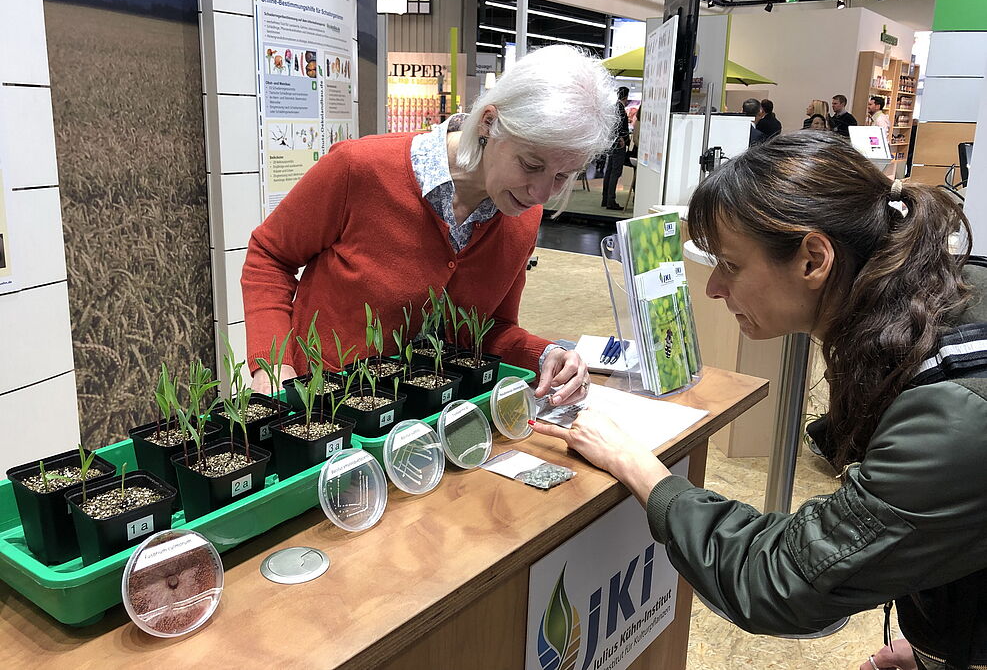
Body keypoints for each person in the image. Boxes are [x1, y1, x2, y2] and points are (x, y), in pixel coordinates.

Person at [532, 130, 986, 670]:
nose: (713, 289)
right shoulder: (941, 305)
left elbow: (780, 580)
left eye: (730, 264)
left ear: (814, 259)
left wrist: (638, 467)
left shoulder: (954, 412)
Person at [242, 45, 618, 406]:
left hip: (431, 422)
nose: (541, 194)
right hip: (324, 408)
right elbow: (269, 256)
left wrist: (547, 355)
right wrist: (274, 364)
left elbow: (488, 330)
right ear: (490, 123)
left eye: (563, 176)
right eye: (531, 165)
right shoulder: (361, 169)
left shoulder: (521, 217)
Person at [601, 86, 630, 210]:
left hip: (612, 143)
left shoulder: (613, 108)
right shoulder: (620, 109)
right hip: (618, 144)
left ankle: (605, 198)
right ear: (626, 97)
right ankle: (610, 201)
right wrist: (621, 138)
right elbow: (618, 126)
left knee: (609, 171)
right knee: (615, 172)